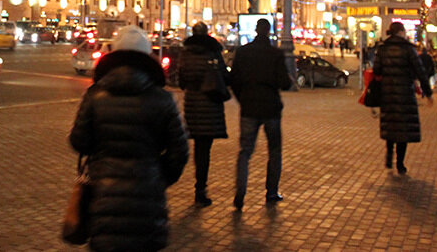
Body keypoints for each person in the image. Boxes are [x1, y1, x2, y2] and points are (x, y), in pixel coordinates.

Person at [69, 26, 187, 251]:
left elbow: (78, 141)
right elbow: (179, 152)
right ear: (147, 57)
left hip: (104, 197)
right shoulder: (163, 99)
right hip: (147, 200)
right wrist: (159, 177)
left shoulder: (95, 95)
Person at [228, 18, 292, 210]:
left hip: (249, 107)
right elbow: (285, 83)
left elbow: (234, 81)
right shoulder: (275, 54)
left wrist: (243, 99)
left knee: (245, 151)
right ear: (269, 32)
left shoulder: (243, 52)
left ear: (256, 30)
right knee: (274, 151)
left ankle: (240, 192)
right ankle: (271, 191)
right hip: (271, 108)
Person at [178, 21, 228, 206]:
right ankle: (200, 189)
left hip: (192, 103)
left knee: (195, 146)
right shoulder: (214, 51)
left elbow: (181, 79)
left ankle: (197, 186)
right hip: (211, 104)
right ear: (207, 33)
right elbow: (223, 75)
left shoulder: (185, 53)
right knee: (204, 149)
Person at [374, 22, 433, 174]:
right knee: (403, 128)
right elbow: (420, 71)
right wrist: (428, 93)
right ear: (401, 32)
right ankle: (400, 163)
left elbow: (377, 70)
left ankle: (388, 156)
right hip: (405, 93)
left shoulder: (382, 49)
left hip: (387, 92)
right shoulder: (409, 49)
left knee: (390, 124)